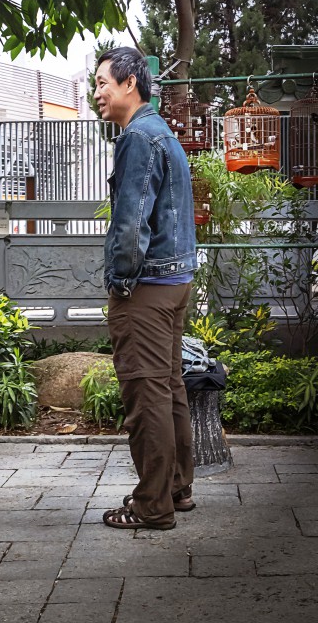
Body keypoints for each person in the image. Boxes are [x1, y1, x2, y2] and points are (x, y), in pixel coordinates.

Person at [93, 47, 198, 530]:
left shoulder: (137, 137)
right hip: (175, 281)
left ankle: (152, 505)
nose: (96, 94)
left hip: (147, 287)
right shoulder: (163, 134)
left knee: (146, 393)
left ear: (129, 84)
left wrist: (119, 282)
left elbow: (131, 222)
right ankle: (175, 489)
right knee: (169, 387)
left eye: (101, 84)